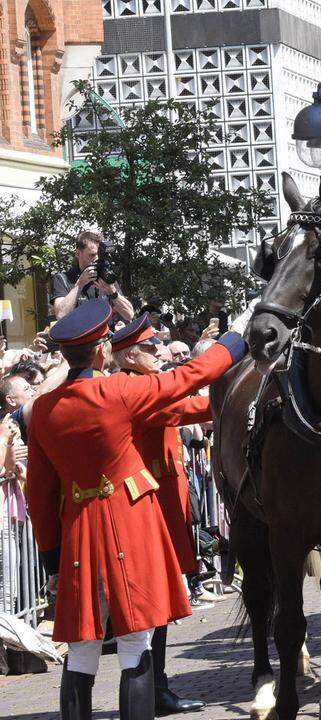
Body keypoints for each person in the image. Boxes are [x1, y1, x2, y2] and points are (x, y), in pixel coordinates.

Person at [23, 298, 247, 720]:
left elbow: (39, 492)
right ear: (103, 350)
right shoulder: (118, 392)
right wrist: (237, 341)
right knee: (135, 640)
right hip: (130, 521)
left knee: (83, 645)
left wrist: (51, 553)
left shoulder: (44, 412)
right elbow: (189, 377)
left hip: (78, 530)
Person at [111, 315, 211, 715]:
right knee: (155, 605)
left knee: (165, 604)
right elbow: (189, 409)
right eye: (151, 347)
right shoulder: (136, 389)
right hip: (152, 508)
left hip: (169, 503)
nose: (159, 351)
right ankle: (155, 690)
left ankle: (158, 687)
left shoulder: (143, 384)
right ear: (131, 356)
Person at [50, 230, 135, 322]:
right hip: (79, 335)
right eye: (92, 255)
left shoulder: (105, 276)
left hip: (105, 335)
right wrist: (79, 285)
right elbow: (61, 315)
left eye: (99, 255)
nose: (97, 259)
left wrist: (112, 292)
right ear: (78, 253)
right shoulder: (63, 279)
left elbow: (129, 315)